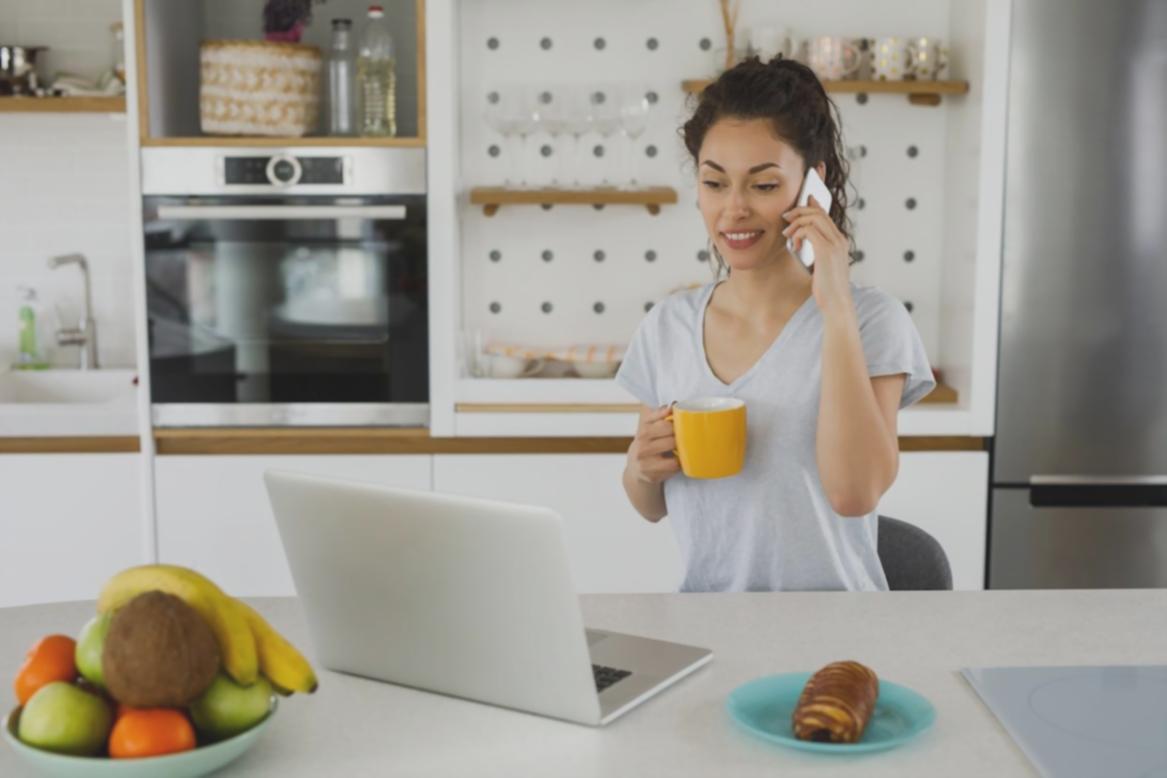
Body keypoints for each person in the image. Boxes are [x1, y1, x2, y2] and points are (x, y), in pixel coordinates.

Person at [615, 56, 935, 592]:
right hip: (710, 633)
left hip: (838, 635)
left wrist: (834, 306)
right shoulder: (667, 326)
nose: (733, 209)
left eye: (762, 186)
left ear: (814, 184)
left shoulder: (871, 320)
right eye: (715, 183)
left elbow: (854, 494)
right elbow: (650, 507)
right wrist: (642, 468)